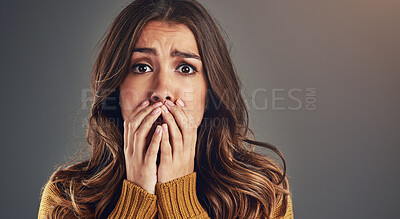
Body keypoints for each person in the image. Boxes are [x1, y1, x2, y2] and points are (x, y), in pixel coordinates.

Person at [38, 0, 294, 218]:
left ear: (211, 90)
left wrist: (178, 194)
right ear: (116, 87)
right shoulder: (66, 197)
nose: (162, 90)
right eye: (141, 67)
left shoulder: (261, 194)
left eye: (185, 68)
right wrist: (135, 199)